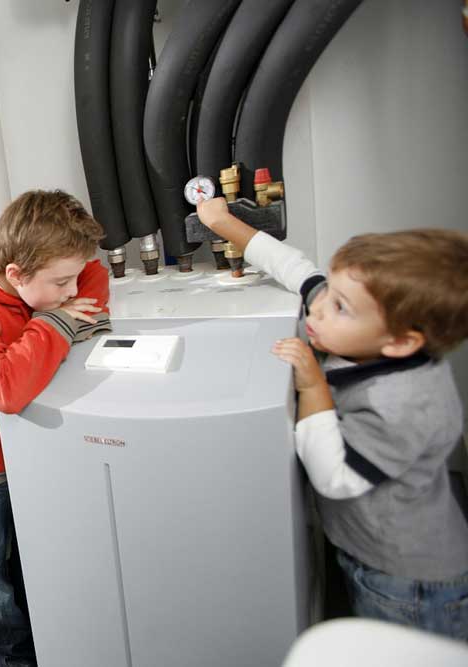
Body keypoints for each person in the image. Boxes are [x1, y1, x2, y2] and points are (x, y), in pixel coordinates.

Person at [197, 197, 468, 641]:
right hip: (369, 549)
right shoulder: (362, 325)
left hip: (408, 580)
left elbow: (335, 477)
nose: (317, 310)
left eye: (340, 307)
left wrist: (312, 387)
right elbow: (296, 268)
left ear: (401, 342)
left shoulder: (405, 405)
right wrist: (224, 223)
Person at [0, 190, 112, 665]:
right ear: (15, 275)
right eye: (61, 283)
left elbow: (93, 274)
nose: (75, 291)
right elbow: (5, 389)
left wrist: (58, 307)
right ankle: (15, 659)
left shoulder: (48, 274)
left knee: (37, 560)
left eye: (71, 280)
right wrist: (55, 324)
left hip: (27, 452)